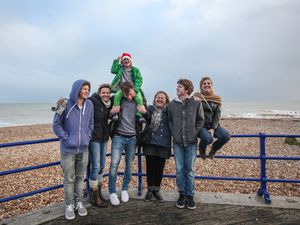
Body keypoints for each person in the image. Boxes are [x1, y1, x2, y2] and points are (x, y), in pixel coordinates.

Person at [52, 79, 94, 220]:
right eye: (84, 88)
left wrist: (87, 137)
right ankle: (69, 205)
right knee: (69, 179)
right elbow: (56, 125)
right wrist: (66, 138)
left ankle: (78, 202)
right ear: (77, 89)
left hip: (84, 149)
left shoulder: (90, 104)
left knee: (80, 178)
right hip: (68, 150)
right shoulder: (64, 104)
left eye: (88, 88)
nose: (86, 91)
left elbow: (91, 123)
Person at [168, 79, 204, 210]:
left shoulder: (195, 103)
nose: (177, 88)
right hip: (177, 143)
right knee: (179, 170)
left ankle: (190, 195)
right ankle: (182, 194)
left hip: (191, 142)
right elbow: (169, 121)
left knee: (190, 170)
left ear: (187, 90)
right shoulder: (172, 104)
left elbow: (201, 120)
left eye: (180, 86)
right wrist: (174, 133)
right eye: (177, 86)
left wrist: (194, 132)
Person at [108, 81, 145, 206]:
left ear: (133, 89)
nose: (128, 97)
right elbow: (107, 112)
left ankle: (124, 189)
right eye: (125, 94)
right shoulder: (117, 98)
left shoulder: (139, 99)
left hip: (133, 138)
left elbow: (147, 116)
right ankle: (112, 192)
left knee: (129, 165)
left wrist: (144, 112)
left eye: (129, 93)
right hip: (118, 136)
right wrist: (112, 112)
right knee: (114, 165)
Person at [138, 91, 171, 202]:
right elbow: (145, 113)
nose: (160, 99)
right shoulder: (149, 109)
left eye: (162, 98)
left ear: (166, 100)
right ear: (154, 99)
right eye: (158, 97)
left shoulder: (169, 111)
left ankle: (157, 190)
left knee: (160, 168)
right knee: (150, 167)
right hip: (150, 142)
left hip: (163, 143)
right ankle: (150, 190)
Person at [194, 76, 231, 159]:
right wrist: (194, 101)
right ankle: (201, 149)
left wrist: (213, 128)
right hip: (201, 125)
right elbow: (192, 111)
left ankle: (214, 149)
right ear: (201, 86)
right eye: (204, 83)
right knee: (208, 139)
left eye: (209, 83)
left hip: (214, 124)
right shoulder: (196, 96)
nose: (207, 85)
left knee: (226, 136)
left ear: (211, 85)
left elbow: (217, 114)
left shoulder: (217, 98)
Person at [87, 84, 112, 207]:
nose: (106, 94)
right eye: (104, 92)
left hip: (104, 137)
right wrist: (64, 101)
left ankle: (99, 193)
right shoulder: (93, 101)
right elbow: (80, 100)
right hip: (94, 138)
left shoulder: (108, 104)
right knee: (95, 166)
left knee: (102, 166)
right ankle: (94, 195)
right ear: (99, 93)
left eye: (108, 92)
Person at [110, 53, 144, 120]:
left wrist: (136, 90)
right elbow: (113, 70)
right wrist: (117, 60)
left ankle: (140, 114)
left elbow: (139, 79)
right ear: (122, 62)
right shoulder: (120, 69)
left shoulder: (135, 70)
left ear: (130, 61)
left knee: (139, 98)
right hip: (123, 88)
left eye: (127, 59)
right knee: (117, 96)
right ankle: (116, 113)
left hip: (133, 88)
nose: (126, 61)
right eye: (124, 60)